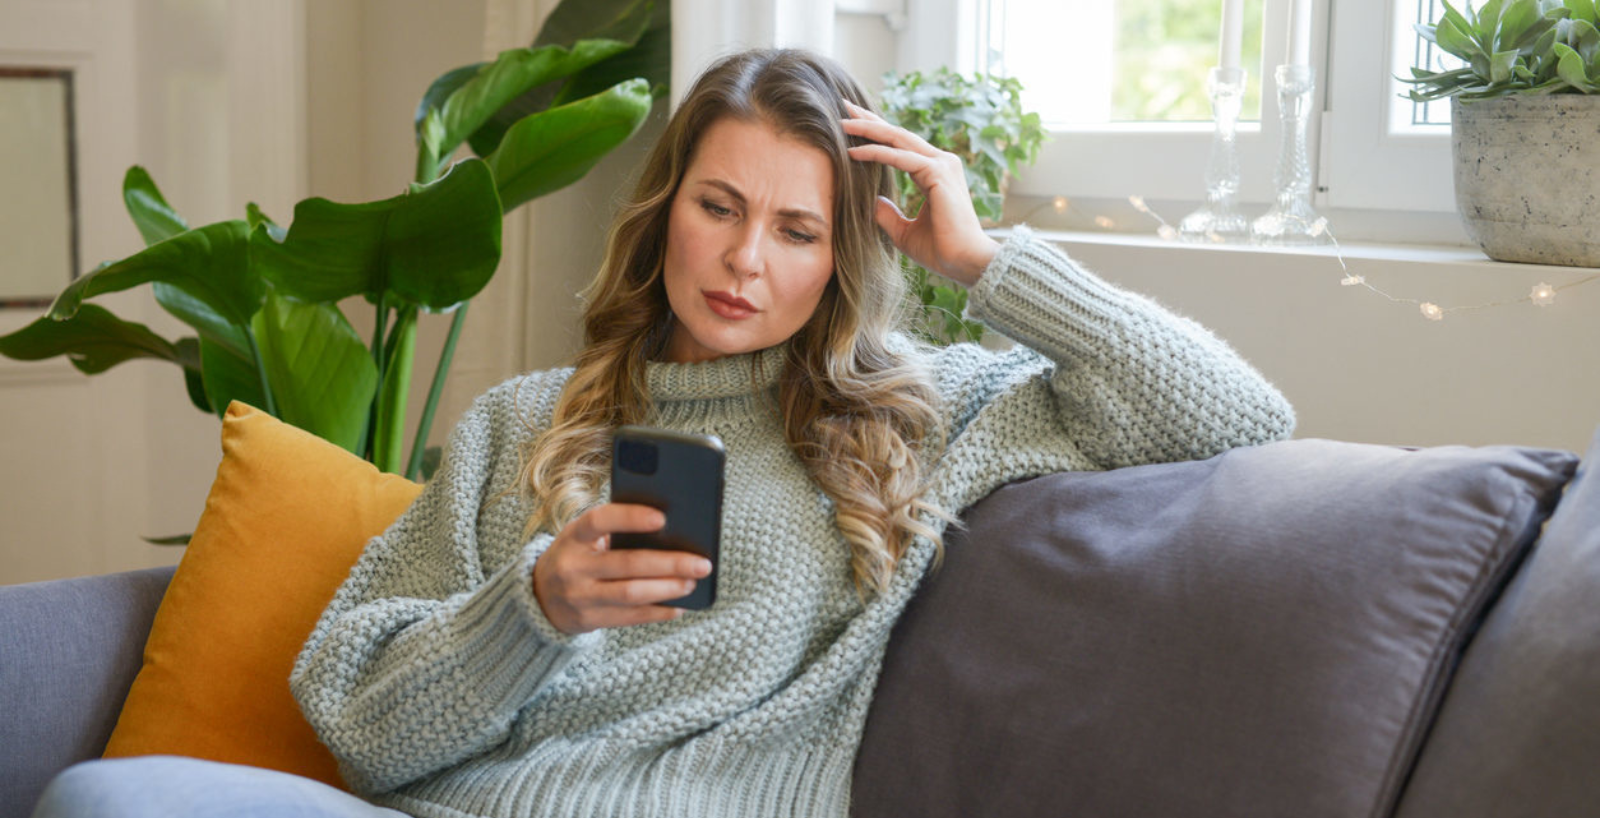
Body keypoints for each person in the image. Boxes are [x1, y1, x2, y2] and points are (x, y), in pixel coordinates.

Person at [32, 48, 1294, 818]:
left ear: (842, 251)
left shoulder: (913, 416)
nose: (746, 260)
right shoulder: (522, 423)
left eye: (798, 230)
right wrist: (536, 606)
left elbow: (1238, 414)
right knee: (101, 794)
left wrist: (983, 257)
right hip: (442, 807)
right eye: (720, 206)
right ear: (665, 209)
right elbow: (354, 715)